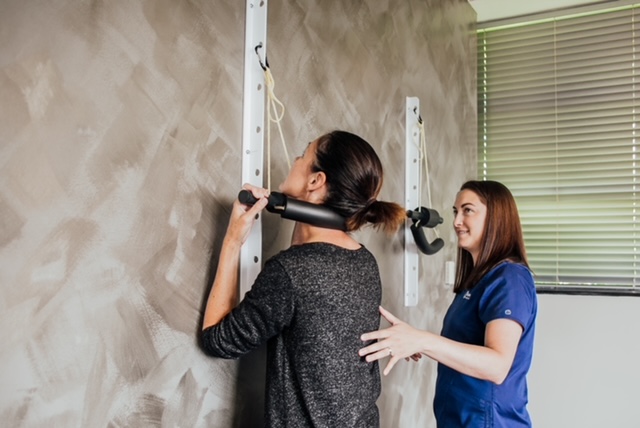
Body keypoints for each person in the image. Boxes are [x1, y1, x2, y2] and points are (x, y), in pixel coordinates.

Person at [201, 130, 407, 427]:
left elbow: (218, 340)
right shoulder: (364, 261)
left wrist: (233, 240)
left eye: (303, 154)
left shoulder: (292, 272)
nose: (294, 160)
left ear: (315, 181)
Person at [359, 180, 537, 428]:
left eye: (468, 210)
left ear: (497, 217)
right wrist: (414, 340)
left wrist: (423, 339)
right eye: (456, 211)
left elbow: (497, 365)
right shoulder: (477, 280)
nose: (456, 221)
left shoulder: (510, 278)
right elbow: (461, 346)